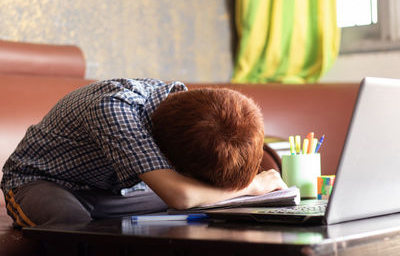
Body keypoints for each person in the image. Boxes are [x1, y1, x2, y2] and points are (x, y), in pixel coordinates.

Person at [1, 78, 287, 227]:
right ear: (171, 159)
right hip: (41, 182)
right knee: (74, 226)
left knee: (209, 212)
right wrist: (253, 186)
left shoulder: (189, 109)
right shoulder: (114, 109)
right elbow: (182, 196)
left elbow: (186, 195)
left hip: (114, 191)